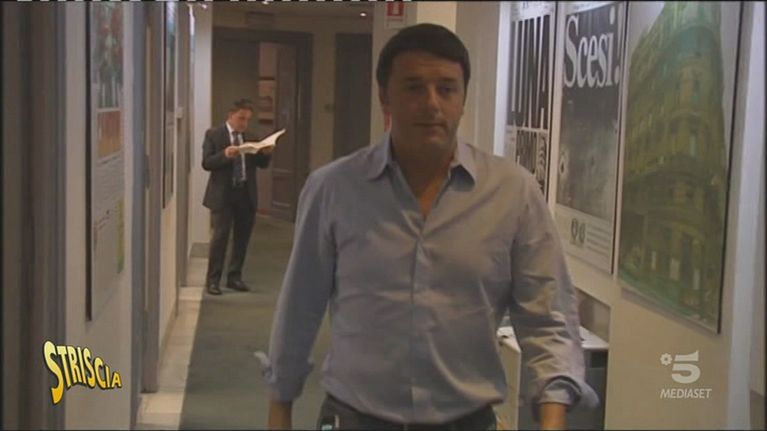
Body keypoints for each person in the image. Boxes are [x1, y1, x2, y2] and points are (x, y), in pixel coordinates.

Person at [264, 24, 597, 430]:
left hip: (466, 420)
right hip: (355, 417)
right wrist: (280, 406)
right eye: (414, 88)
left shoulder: (512, 192)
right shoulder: (334, 188)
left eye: (447, 89)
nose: (431, 104)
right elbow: (300, 305)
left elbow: (548, 316)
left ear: (463, 99)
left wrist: (553, 415)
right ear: (384, 96)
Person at [202, 98, 273, 295]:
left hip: (245, 193)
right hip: (223, 194)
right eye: (241, 118)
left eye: (247, 119)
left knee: (242, 239)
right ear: (231, 116)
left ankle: (234, 277)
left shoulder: (250, 137)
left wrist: (266, 153)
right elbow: (207, 163)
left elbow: (261, 165)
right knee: (220, 238)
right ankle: (213, 280)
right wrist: (225, 155)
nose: (244, 123)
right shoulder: (214, 134)